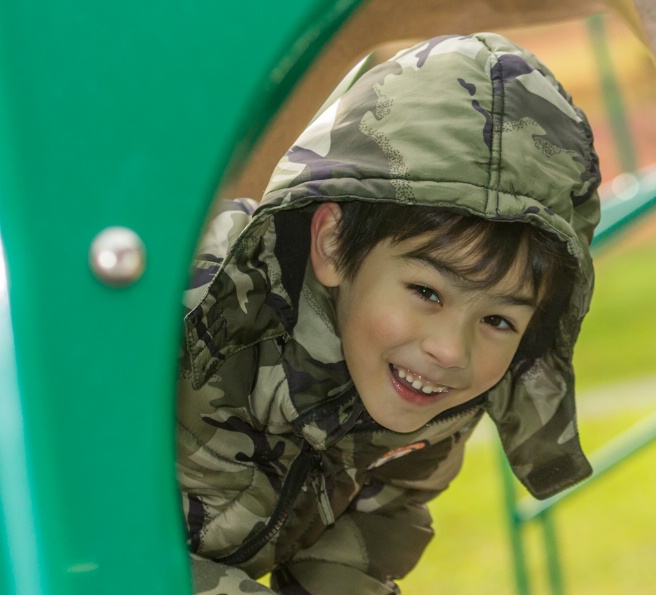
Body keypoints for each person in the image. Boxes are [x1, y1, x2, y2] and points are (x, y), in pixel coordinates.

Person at [178, 32, 601, 594]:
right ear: (332, 243)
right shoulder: (192, 315)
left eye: (498, 321)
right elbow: (61, 511)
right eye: (427, 292)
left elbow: (361, 546)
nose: (452, 351)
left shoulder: (434, 403)